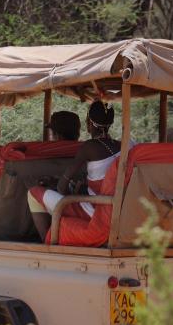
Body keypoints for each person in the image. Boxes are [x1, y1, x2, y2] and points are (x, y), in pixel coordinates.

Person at [27, 101, 121, 243]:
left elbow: (61, 188)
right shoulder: (122, 146)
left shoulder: (89, 147)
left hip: (93, 211)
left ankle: (47, 242)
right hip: (114, 209)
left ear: (89, 124)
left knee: (33, 193)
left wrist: (62, 186)